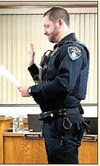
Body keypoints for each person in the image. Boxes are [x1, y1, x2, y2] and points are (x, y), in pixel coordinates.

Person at [18, 7, 89, 164]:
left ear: (59, 22)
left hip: (63, 123)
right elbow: (46, 85)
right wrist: (32, 67)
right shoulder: (58, 51)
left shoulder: (72, 49)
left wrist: (30, 90)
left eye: (46, 26)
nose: (44, 31)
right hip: (54, 123)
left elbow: (64, 85)